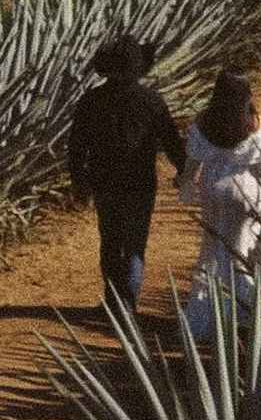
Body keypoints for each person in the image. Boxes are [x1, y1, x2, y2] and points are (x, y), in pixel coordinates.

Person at [67, 35, 185, 311]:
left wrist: (78, 180)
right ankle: (128, 303)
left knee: (109, 240)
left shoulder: (91, 100)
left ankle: (112, 300)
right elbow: (170, 140)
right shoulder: (151, 101)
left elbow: (76, 144)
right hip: (140, 182)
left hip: (104, 182)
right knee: (135, 242)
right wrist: (183, 169)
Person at [178, 69, 261, 335]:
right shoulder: (254, 121)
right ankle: (242, 312)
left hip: (213, 187)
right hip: (246, 189)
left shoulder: (205, 119)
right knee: (243, 249)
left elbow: (193, 160)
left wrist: (187, 185)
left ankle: (205, 315)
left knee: (212, 248)